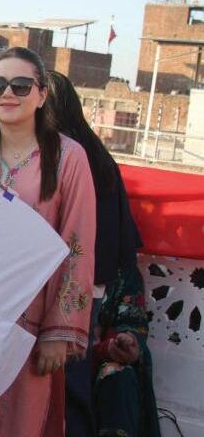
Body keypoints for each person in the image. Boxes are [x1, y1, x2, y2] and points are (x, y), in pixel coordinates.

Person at [0, 47, 95, 436]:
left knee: (18, 421)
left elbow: (77, 243)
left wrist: (59, 330)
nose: (8, 94)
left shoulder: (68, 158)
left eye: (21, 85)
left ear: (42, 94)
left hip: (31, 323)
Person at [48, 71, 159, 437]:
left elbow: (129, 319)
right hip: (64, 296)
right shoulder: (94, 158)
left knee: (84, 382)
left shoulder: (73, 160)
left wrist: (123, 343)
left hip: (72, 300)